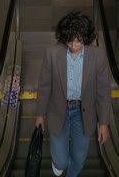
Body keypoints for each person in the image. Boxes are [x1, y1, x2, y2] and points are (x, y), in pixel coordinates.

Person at [35, 11, 111, 177]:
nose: (73, 45)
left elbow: (104, 92)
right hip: (58, 110)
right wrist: (40, 114)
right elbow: (44, 86)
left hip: (83, 113)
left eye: (78, 40)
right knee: (61, 162)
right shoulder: (53, 54)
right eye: (69, 40)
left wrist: (104, 123)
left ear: (86, 36)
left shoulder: (98, 56)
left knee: (79, 158)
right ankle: (60, 164)